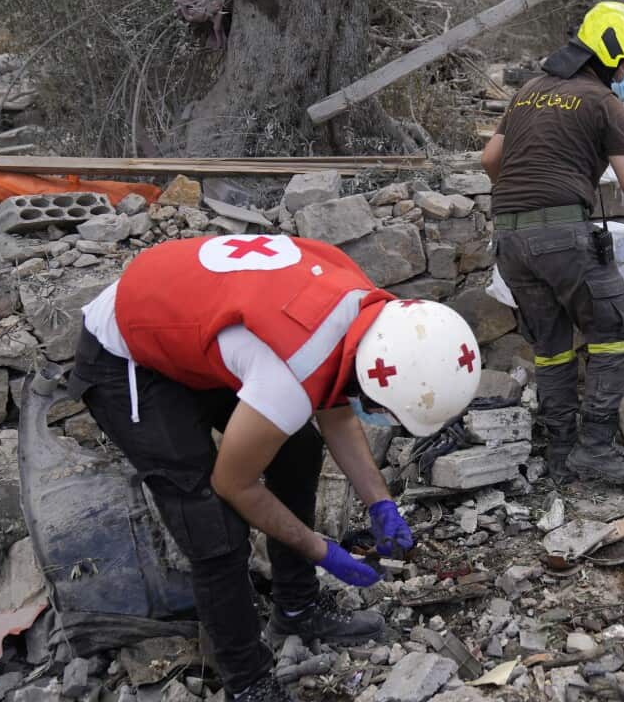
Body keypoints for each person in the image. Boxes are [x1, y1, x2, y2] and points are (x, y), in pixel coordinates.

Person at [68, 233, 482, 701]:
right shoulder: (290, 370)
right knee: (210, 521)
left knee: (298, 447)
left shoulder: (369, 313)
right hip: (128, 351)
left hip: (207, 327)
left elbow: (334, 401)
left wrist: (380, 502)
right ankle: (247, 680)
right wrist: (321, 550)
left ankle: (298, 607)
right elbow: (234, 483)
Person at [481, 1, 624, 486]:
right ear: (611, 57)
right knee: (615, 338)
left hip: (508, 237)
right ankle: (594, 451)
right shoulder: (601, 102)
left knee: (550, 347)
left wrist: (526, 200)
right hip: (564, 236)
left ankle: (561, 450)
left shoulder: (528, 92)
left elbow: (490, 159)